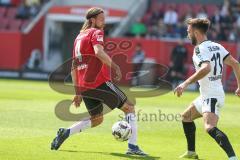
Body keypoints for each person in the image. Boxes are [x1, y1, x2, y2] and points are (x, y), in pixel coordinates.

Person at [50, 7, 147, 156]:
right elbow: (99, 52)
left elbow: (73, 67)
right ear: (92, 20)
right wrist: (114, 66)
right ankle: (132, 147)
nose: (104, 21)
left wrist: (78, 92)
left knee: (97, 119)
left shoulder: (79, 37)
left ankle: (66, 132)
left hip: (85, 85)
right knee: (129, 108)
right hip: (99, 82)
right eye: (101, 19)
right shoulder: (96, 32)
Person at [174, 18, 240, 160]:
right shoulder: (217, 46)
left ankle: (233, 158)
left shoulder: (199, 49)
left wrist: (185, 83)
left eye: (189, 31)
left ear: (196, 32)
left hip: (211, 95)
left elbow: (206, 68)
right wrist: (239, 86)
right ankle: (191, 153)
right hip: (208, 94)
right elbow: (235, 64)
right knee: (186, 117)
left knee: (209, 127)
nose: (187, 34)